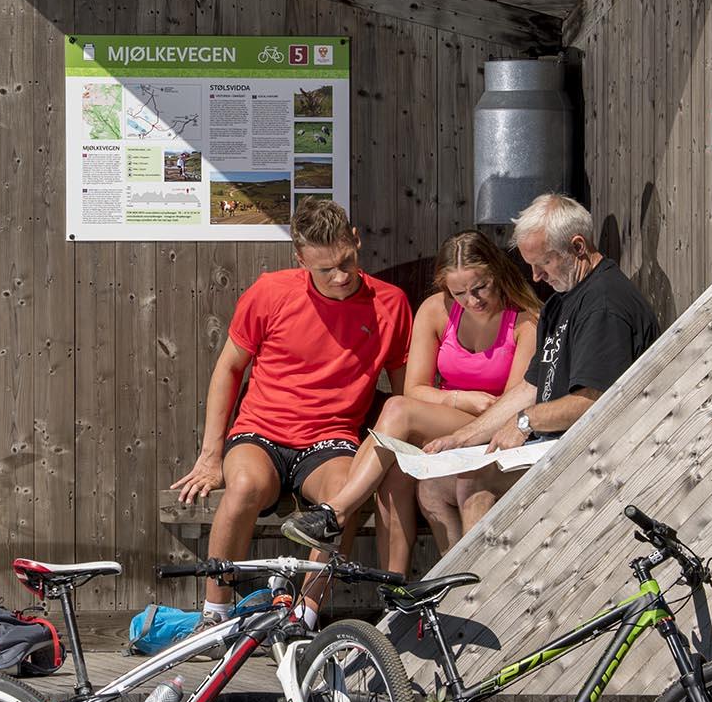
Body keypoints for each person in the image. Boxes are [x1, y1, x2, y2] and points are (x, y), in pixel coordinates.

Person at [170, 198, 413, 634]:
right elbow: (229, 367)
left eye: (347, 262)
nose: (340, 277)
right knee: (243, 487)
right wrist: (210, 455)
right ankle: (216, 615)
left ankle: (304, 614)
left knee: (343, 494)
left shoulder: (391, 304)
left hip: (332, 437)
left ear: (356, 240)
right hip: (260, 433)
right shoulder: (270, 292)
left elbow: (404, 395)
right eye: (326, 270)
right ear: (300, 260)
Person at [278, 230, 539, 569]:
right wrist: (462, 399)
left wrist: (466, 407)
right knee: (394, 472)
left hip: (493, 427)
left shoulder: (525, 319)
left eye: (481, 288)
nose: (472, 300)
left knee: (397, 410)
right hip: (454, 416)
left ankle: (335, 512)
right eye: (459, 292)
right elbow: (415, 388)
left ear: (497, 273)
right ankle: (392, 587)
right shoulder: (435, 310)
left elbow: (512, 402)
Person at [418, 193, 661, 531]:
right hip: (548, 448)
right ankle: (457, 583)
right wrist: (462, 437)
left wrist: (524, 422)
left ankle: (482, 585)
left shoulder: (604, 303)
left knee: (476, 483)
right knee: (432, 486)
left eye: (543, 264)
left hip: (592, 454)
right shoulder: (561, 301)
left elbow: (594, 400)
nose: (535, 277)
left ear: (578, 247)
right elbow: (530, 387)